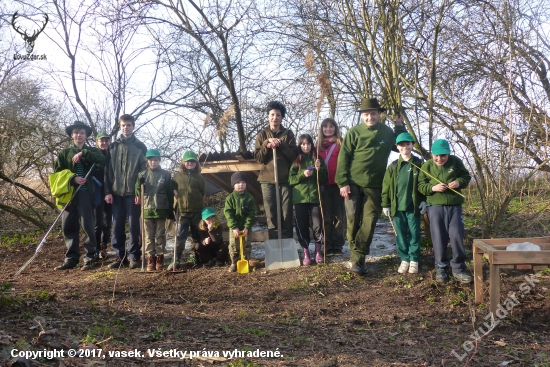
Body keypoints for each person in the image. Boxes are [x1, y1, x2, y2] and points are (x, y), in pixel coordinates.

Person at [335, 98, 407, 275]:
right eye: (366, 115)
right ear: (362, 115)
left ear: (379, 114)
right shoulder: (354, 132)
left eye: (373, 114)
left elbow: (400, 147)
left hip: (375, 185)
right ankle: (356, 256)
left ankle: (357, 257)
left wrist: (399, 127)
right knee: (352, 220)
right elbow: (343, 158)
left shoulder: (386, 132)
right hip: (352, 183)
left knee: (369, 221)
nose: (369, 118)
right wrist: (342, 182)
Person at [417, 139, 472, 283]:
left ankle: (458, 268)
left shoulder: (456, 162)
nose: (440, 159)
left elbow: (466, 177)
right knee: (438, 238)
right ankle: (441, 267)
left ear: (448, 154)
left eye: (443, 155)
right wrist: (432, 188)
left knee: (456, 236)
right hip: (435, 208)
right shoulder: (426, 166)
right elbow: (421, 186)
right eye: (436, 155)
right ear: (431, 154)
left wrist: (459, 182)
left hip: (455, 207)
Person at [54, 121, 106, 271]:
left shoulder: (93, 151)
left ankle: (90, 257)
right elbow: (58, 175)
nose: (79, 135)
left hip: (85, 194)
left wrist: (84, 153)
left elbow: (102, 161)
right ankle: (71, 258)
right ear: (72, 135)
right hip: (69, 194)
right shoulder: (64, 153)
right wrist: (73, 179)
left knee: (88, 226)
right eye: (76, 132)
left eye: (82, 133)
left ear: (86, 136)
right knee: (68, 226)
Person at [104, 114, 147, 269]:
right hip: (116, 194)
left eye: (128, 125)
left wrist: (140, 193)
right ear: (120, 126)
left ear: (133, 126)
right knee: (117, 226)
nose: (126, 128)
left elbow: (144, 173)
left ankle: (134, 256)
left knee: (134, 225)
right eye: (123, 125)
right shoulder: (113, 147)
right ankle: (120, 256)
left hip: (133, 195)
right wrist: (108, 192)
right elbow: (108, 172)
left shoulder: (141, 147)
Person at [381, 132, 426, 274]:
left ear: (412, 145)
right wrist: (385, 204)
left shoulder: (419, 164)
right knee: (400, 234)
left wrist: (424, 200)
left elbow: (424, 184)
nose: (405, 147)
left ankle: (414, 259)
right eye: (402, 145)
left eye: (408, 144)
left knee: (414, 233)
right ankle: (404, 259)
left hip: (413, 207)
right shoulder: (393, 166)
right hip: (397, 207)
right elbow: (386, 186)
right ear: (397, 147)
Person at [254, 101, 298, 240]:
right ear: (268, 116)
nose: (275, 117)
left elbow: (293, 156)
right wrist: (267, 144)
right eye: (272, 114)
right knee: (271, 214)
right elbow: (259, 158)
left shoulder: (288, 134)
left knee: (286, 213)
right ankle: (274, 243)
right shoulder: (262, 135)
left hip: (285, 180)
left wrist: (282, 145)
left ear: (282, 117)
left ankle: (287, 243)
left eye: (278, 115)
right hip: (267, 181)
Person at [289, 134, 328, 265]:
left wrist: (318, 170)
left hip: (315, 199)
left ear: (312, 145)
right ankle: (306, 253)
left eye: (308, 144)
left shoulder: (318, 159)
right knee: (302, 226)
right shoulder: (296, 161)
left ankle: (318, 252)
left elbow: (324, 178)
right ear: (300, 146)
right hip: (300, 199)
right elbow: (291, 180)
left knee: (318, 225)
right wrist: (302, 174)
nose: (306, 146)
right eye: (303, 144)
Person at [136, 149, 175, 271]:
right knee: (148, 236)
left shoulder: (166, 175)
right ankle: (150, 258)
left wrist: (170, 209)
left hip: (161, 208)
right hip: (147, 209)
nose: (153, 162)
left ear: (159, 160)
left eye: (156, 160)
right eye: (151, 160)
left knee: (160, 235)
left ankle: (160, 257)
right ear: (147, 161)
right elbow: (137, 191)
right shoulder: (141, 175)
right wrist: (139, 187)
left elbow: (169, 192)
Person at [171, 150, 205, 270]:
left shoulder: (199, 178)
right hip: (182, 212)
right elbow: (172, 188)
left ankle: (195, 257)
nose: (190, 164)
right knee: (180, 236)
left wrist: (203, 211)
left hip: (196, 211)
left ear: (196, 163)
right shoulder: (177, 177)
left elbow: (203, 194)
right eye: (187, 161)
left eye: (192, 162)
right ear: (183, 163)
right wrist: (174, 191)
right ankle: (176, 260)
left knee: (196, 236)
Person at [317, 118, 345, 257]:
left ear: (335, 128)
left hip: (338, 184)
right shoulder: (317, 146)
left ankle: (337, 245)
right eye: (325, 127)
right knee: (326, 217)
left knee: (339, 216)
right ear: (322, 129)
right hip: (324, 186)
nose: (328, 129)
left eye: (331, 126)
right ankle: (327, 245)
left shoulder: (340, 143)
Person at [224, 172, 256, 272]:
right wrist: (234, 227)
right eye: (238, 182)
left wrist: (247, 226)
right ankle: (234, 262)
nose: (240, 184)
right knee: (234, 244)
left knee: (246, 243)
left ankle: (245, 260)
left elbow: (251, 213)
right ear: (233, 185)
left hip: (246, 226)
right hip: (235, 227)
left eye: (243, 182)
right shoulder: (230, 198)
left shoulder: (249, 198)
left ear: (246, 184)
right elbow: (228, 213)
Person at [94, 132, 112, 259]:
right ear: (97, 142)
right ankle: (95, 248)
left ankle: (103, 246)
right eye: (102, 140)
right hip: (97, 191)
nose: (104, 143)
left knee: (107, 222)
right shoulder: (93, 155)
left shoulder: (112, 155)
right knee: (97, 222)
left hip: (110, 192)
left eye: (106, 140)